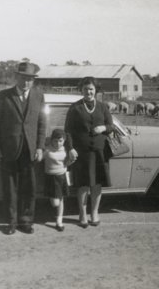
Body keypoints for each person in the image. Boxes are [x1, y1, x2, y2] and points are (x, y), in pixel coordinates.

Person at [0, 62, 46, 235]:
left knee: (29, 188)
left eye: (30, 79)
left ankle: (26, 221)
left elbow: (42, 123)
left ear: (34, 80)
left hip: (30, 149)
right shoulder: (4, 95)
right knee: (10, 188)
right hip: (9, 149)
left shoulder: (38, 95)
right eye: (23, 78)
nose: (26, 82)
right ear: (17, 77)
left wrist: (40, 147)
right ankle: (11, 223)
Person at [64, 76, 113, 228]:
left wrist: (103, 128)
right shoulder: (75, 108)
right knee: (83, 184)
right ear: (81, 90)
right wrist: (70, 148)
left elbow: (111, 125)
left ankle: (95, 212)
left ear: (95, 90)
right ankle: (82, 213)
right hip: (82, 152)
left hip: (99, 151)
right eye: (85, 89)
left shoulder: (103, 107)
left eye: (91, 89)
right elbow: (68, 131)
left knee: (97, 184)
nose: (88, 92)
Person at [44, 128, 73, 232]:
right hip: (51, 178)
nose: (58, 143)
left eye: (60, 141)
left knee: (60, 199)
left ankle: (59, 221)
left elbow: (67, 163)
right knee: (55, 203)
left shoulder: (66, 150)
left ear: (64, 140)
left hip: (62, 176)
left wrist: (70, 161)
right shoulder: (47, 149)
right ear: (51, 140)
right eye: (55, 141)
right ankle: (57, 218)